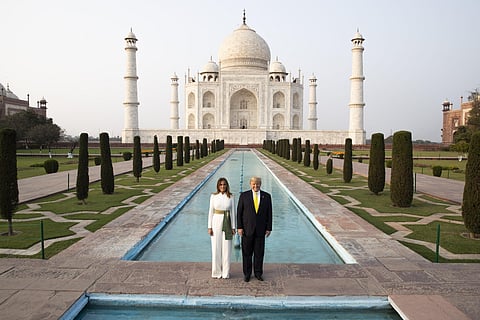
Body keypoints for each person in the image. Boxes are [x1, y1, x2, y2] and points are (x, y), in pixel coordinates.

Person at [237, 176, 272, 282]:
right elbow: (239, 212)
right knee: (247, 253)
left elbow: (269, 213)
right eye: (253, 184)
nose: (255, 186)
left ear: (260, 184)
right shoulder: (244, 196)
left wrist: (269, 228)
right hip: (247, 229)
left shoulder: (266, 196)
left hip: (261, 230)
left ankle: (258, 273)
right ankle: (247, 274)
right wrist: (239, 227)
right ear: (250, 184)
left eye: (257, 184)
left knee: (259, 253)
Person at [208, 177, 236, 279]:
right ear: (218, 186)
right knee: (216, 247)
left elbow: (233, 213)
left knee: (227, 248)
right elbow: (210, 211)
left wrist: (233, 227)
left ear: (227, 186)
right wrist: (209, 226)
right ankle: (216, 272)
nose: (222, 186)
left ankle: (225, 273)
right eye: (221, 185)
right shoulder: (213, 196)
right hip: (216, 222)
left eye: (224, 184)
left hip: (227, 222)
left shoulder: (231, 197)